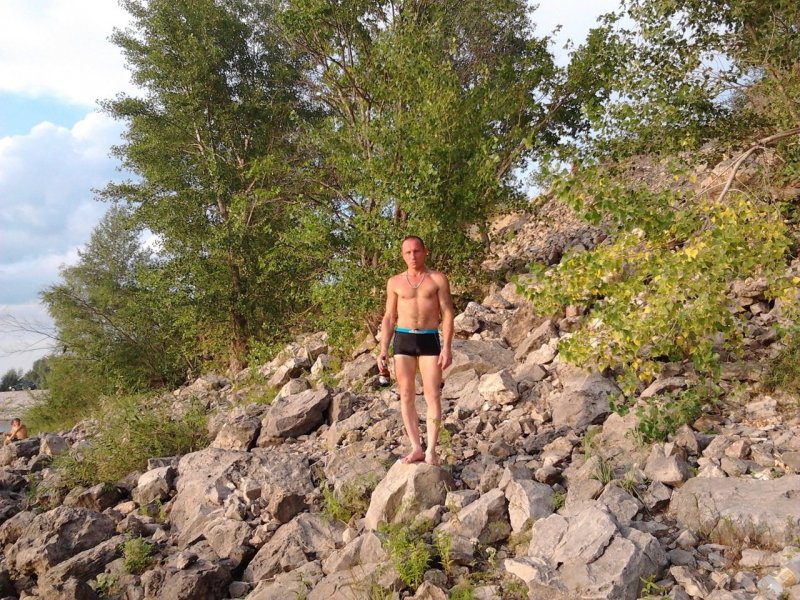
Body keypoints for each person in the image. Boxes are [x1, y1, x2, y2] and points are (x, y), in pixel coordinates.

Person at [379, 235, 454, 465]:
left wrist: (447, 347)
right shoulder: (394, 282)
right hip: (403, 339)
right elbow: (389, 317)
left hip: (429, 338)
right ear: (403, 255)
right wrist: (383, 349)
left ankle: (431, 450)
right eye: (408, 252)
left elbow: (447, 313)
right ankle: (416, 448)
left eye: (417, 251)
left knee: (432, 394)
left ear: (425, 251)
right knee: (406, 394)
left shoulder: (437, 279)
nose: (413, 256)